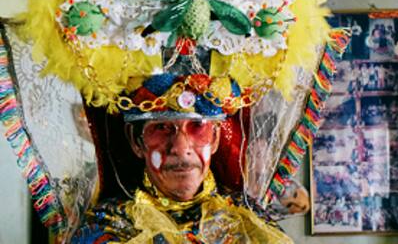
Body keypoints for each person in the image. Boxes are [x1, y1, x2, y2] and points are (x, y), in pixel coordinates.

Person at [71, 74, 306, 243]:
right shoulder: (108, 226)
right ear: (137, 142)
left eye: (197, 127)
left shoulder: (249, 219)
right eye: (161, 128)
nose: (181, 148)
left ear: (214, 139)